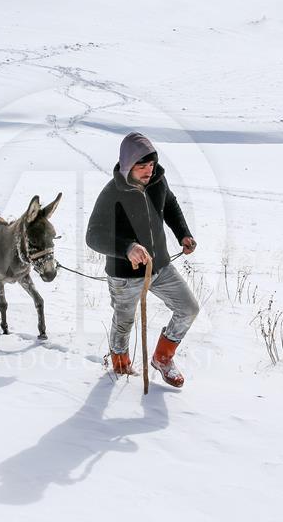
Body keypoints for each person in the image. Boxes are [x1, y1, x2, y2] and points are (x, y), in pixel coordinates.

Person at [85, 132, 200, 387]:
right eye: (141, 166)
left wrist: (183, 233)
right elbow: (92, 236)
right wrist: (127, 248)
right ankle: (120, 365)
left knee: (188, 308)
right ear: (128, 165)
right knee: (124, 322)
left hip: (159, 265)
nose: (148, 171)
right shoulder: (112, 193)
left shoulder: (158, 180)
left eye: (151, 165)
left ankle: (162, 358)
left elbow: (169, 204)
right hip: (124, 275)